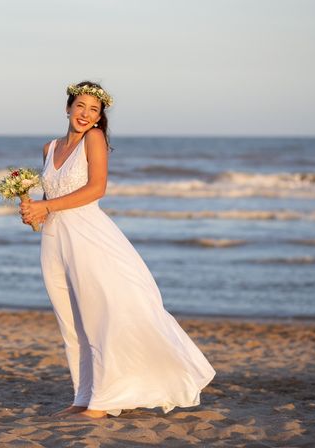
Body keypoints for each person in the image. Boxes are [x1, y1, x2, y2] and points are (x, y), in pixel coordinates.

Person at [19, 81, 216, 419]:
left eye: (94, 110)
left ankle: (104, 400)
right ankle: (83, 396)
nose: (86, 114)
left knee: (99, 316)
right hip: (53, 240)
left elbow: (97, 188)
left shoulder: (93, 139)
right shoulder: (49, 148)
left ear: (99, 117)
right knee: (71, 321)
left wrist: (46, 208)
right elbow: (51, 201)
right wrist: (32, 210)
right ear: (68, 108)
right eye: (80, 106)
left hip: (89, 237)